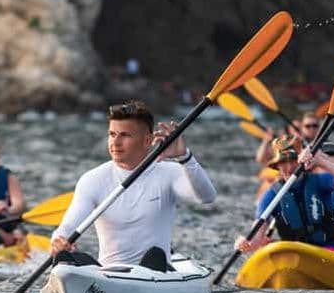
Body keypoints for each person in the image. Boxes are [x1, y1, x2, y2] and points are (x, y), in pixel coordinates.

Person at [51, 100, 217, 271]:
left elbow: (207, 197)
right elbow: (70, 225)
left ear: (147, 140)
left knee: (154, 255)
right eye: (112, 134)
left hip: (156, 271)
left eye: (125, 135)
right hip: (109, 273)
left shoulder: (169, 173)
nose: (115, 142)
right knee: (67, 259)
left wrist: (184, 157)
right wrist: (59, 239)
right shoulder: (93, 179)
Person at [234, 136, 334, 264]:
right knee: (267, 244)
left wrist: (321, 159)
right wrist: (246, 242)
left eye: (293, 160)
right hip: (302, 256)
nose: (289, 167)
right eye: (283, 162)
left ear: (301, 161)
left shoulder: (320, 180)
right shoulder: (271, 195)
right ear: (277, 166)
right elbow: (257, 232)